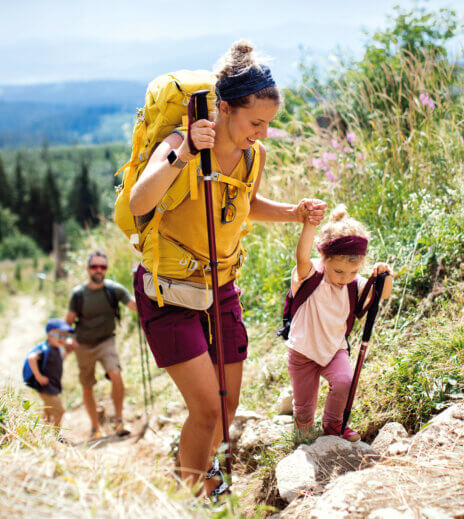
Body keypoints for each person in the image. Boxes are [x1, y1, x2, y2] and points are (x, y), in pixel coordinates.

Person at [128, 39, 327, 498]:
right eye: (255, 121)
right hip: (169, 291)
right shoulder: (181, 142)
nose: (261, 131)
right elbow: (141, 200)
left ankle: (202, 481)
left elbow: (244, 203)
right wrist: (180, 157)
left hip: (221, 287)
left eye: (268, 124)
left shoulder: (252, 155)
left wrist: (294, 213)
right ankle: (192, 497)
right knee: (205, 409)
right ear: (224, 108)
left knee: (227, 404)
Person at [286, 206, 393, 441]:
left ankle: (333, 424)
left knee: (345, 381)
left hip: (334, 348)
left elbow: (382, 295)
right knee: (304, 406)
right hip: (303, 351)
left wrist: (386, 276)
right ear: (324, 259)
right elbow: (302, 256)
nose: (345, 278)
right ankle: (302, 433)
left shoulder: (354, 284)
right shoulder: (311, 273)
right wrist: (310, 225)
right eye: (338, 271)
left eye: (353, 271)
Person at [65, 250, 137, 439]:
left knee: (116, 374)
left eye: (102, 267)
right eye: (94, 266)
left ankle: (118, 421)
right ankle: (95, 427)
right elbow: (67, 323)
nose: (98, 270)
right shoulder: (79, 294)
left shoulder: (115, 290)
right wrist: (66, 341)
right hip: (83, 345)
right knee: (87, 386)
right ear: (88, 269)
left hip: (106, 341)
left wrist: (142, 286)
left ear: (106, 269)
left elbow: (135, 306)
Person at [22, 318, 76, 428]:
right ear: (49, 335)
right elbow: (31, 358)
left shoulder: (57, 349)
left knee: (48, 410)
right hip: (46, 386)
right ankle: (55, 434)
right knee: (59, 411)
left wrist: (67, 353)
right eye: (60, 336)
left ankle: (43, 429)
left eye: (65, 336)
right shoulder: (45, 349)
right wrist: (39, 376)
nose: (63, 339)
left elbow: (58, 361)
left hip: (52, 386)